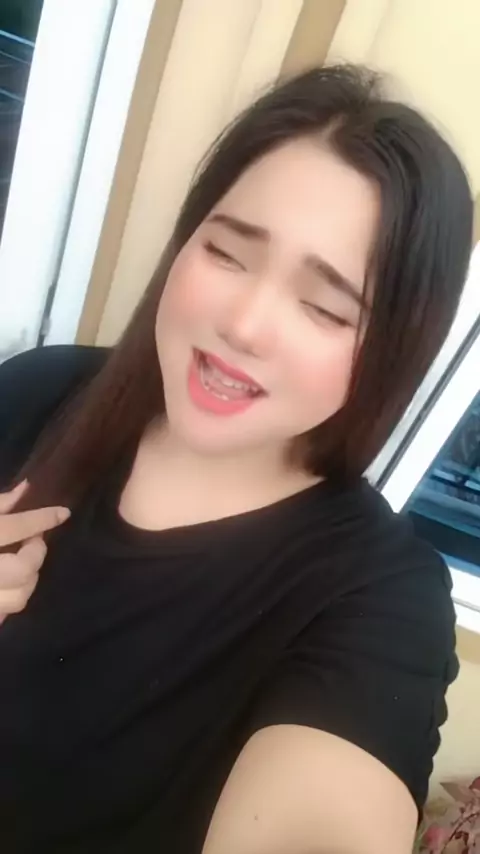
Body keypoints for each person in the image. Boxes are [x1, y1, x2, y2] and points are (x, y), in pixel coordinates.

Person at [0, 64, 473, 854]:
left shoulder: (378, 599)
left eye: (324, 307)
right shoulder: (38, 393)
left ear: (394, 350)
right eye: (227, 253)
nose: (245, 325)